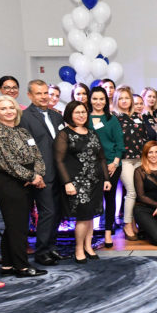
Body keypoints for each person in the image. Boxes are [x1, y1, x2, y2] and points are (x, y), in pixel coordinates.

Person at [17, 80, 67, 265]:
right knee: (48, 212)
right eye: (39, 93)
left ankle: (52, 247)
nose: (44, 97)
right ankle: (42, 251)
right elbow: (24, 150)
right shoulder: (24, 117)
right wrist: (33, 174)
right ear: (30, 95)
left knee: (58, 212)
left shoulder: (56, 116)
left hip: (60, 172)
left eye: (46, 92)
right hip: (41, 174)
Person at [0, 95, 48, 277]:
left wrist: (38, 174)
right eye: (3, 108)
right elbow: (7, 163)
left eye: (11, 107)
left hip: (27, 181)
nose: (8, 111)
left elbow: (37, 155)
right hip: (8, 182)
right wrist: (31, 176)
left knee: (14, 224)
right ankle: (22, 267)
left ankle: (8, 264)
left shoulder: (22, 131)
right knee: (18, 226)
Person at [55, 101, 111, 262]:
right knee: (83, 216)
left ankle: (88, 246)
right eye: (77, 112)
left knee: (90, 216)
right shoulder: (64, 134)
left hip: (95, 182)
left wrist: (106, 179)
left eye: (84, 112)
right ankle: (79, 249)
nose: (81, 115)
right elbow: (59, 161)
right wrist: (67, 182)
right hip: (77, 183)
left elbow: (101, 158)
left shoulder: (92, 133)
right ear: (69, 115)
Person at [87, 87, 124, 248]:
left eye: (101, 99)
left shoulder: (112, 119)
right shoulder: (84, 118)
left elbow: (120, 144)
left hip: (111, 165)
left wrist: (114, 163)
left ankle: (108, 233)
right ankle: (89, 235)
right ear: (90, 100)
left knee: (110, 199)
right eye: (95, 98)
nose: (98, 102)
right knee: (91, 201)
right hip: (90, 166)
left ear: (106, 101)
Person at [112, 86, 148, 243]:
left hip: (139, 159)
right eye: (121, 98)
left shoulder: (137, 116)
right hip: (124, 160)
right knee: (131, 192)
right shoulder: (113, 118)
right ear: (116, 100)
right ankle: (127, 224)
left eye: (127, 98)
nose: (124, 101)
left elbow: (144, 137)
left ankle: (134, 222)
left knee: (139, 192)